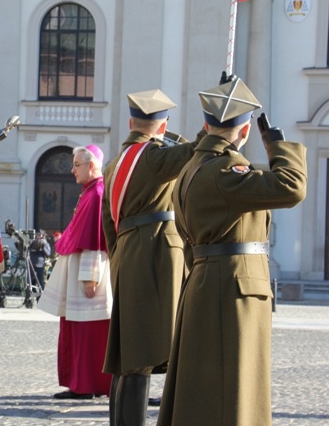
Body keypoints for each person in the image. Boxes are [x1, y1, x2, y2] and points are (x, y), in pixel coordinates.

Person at [157, 77, 307, 425]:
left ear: (207, 125)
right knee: (234, 388)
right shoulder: (225, 171)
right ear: (245, 131)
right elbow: (292, 187)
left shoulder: (191, 169)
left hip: (209, 280)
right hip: (233, 287)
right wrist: (277, 146)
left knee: (206, 388)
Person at [101, 89, 205, 425]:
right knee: (140, 355)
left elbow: (107, 223)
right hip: (153, 254)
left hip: (126, 252)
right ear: (162, 126)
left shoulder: (116, 162)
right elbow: (200, 149)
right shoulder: (154, 156)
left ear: (131, 122)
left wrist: (119, 256)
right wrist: (218, 112)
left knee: (127, 353)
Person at [38, 144, 112, 399]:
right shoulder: (89, 192)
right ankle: (83, 384)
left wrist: (90, 277)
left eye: (77, 165)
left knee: (87, 332)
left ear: (91, 166)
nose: (72, 170)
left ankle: (86, 386)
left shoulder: (97, 193)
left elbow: (95, 240)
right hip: (80, 272)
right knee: (78, 330)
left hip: (88, 275)